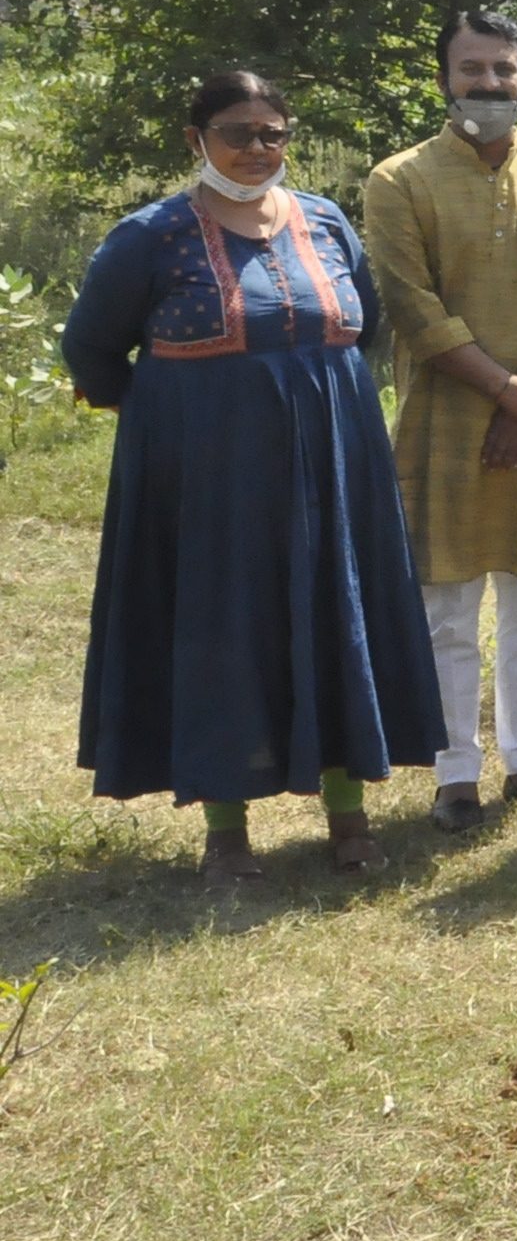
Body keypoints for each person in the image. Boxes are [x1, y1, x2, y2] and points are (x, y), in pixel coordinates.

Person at [63, 70, 449, 883]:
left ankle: (349, 817)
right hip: (210, 479)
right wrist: (174, 419)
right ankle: (226, 832)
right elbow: (91, 348)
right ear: (195, 139)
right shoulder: (151, 236)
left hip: (335, 470)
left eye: (273, 133)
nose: (256, 148)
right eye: (237, 133)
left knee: (335, 615)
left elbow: (363, 326)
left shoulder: (325, 219)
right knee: (221, 629)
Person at [366, 9, 517, 833]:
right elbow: (413, 307)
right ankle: (455, 773)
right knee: (449, 611)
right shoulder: (400, 180)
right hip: (443, 422)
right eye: (472, 69)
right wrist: (506, 390)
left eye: (503, 69)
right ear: (444, 79)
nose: (488, 83)